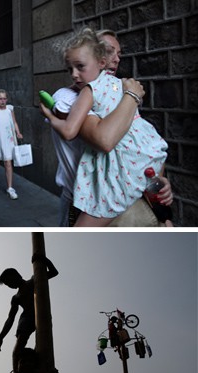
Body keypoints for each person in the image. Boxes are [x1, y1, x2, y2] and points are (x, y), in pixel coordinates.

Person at [42, 27, 168, 226]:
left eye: (118, 54)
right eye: (109, 51)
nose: (115, 59)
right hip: (90, 202)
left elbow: (141, 147)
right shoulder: (68, 97)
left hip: (130, 198)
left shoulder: (117, 92)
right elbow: (105, 140)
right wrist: (132, 96)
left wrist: (159, 183)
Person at [0, 254, 58, 372]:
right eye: (7, 285)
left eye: (10, 281)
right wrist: (1, 337)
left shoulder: (33, 281)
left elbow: (54, 272)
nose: (10, 285)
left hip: (41, 314)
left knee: (42, 345)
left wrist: (44, 260)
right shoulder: (16, 297)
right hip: (26, 318)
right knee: (17, 349)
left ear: (17, 275)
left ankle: (37, 367)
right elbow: (10, 319)